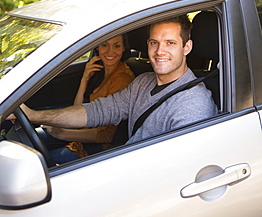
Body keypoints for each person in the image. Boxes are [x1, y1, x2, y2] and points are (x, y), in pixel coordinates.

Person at [12, 15, 218, 153]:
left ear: (187, 47)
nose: (159, 51)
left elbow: (176, 169)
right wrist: (34, 115)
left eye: (170, 43)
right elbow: (97, 111)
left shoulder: (193, 105)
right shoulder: (143, 82)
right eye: (154, 42)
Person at [38, 34, 135, 163]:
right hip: (81, 132)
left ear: (124, 48)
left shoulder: (122, 79)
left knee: (40, 163)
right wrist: (85, 79)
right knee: (33, 137)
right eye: (104, 45)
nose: (110, 51)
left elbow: (108, 135)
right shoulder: (99, 70)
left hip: (97, 146)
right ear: (98, 47)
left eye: (116, 46)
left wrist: (62, 133)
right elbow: (77, 108)